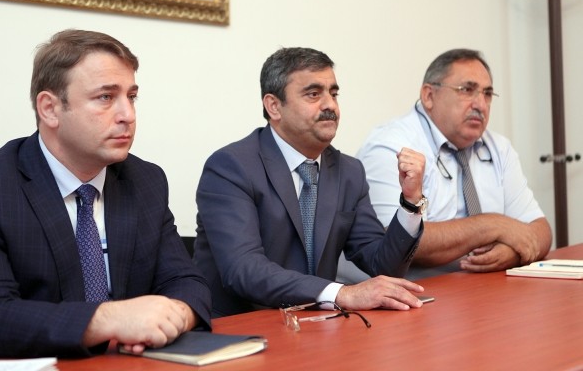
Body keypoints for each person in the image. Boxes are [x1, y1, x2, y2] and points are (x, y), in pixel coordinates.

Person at [0, 29, 211, 358]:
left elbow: (187, 283)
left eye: (131, 97)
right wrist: (109, 320)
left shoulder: (145, 181)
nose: (128, 115)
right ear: (49, 108)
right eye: (105, 97)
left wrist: (170, 318)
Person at [193, 47, 429, 318]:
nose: (330, 105)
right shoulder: (231, 167)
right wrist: (341, 293)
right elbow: (244, 269)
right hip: (241, 326)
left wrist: (410, 203)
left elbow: (383, 266)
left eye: (333, 93)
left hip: (316, 324)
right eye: (313, 94)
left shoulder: (349, 171)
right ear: (274, 106)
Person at [337, 48, 552, 283]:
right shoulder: (391, 147)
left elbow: (540, 230)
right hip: (413, 292)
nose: (481, 104)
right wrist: (493, 226)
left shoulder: (498, 148)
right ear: (429, 96)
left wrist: (512, 252)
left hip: (482, 288)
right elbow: (394, 240)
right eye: (467, 90)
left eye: (488, 93)